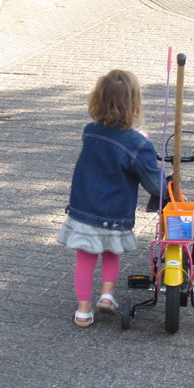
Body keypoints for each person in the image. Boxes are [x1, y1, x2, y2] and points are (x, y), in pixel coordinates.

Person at [57, 69, 166, 327]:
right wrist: (168, 188)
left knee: (84, 258)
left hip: (84, 208)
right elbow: (152, 180)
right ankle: (107, 295)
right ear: (135, 104)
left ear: (98, 100)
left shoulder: (90, 131)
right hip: (114, 214)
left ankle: (83, 311)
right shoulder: (136, 143)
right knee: (111, 253)